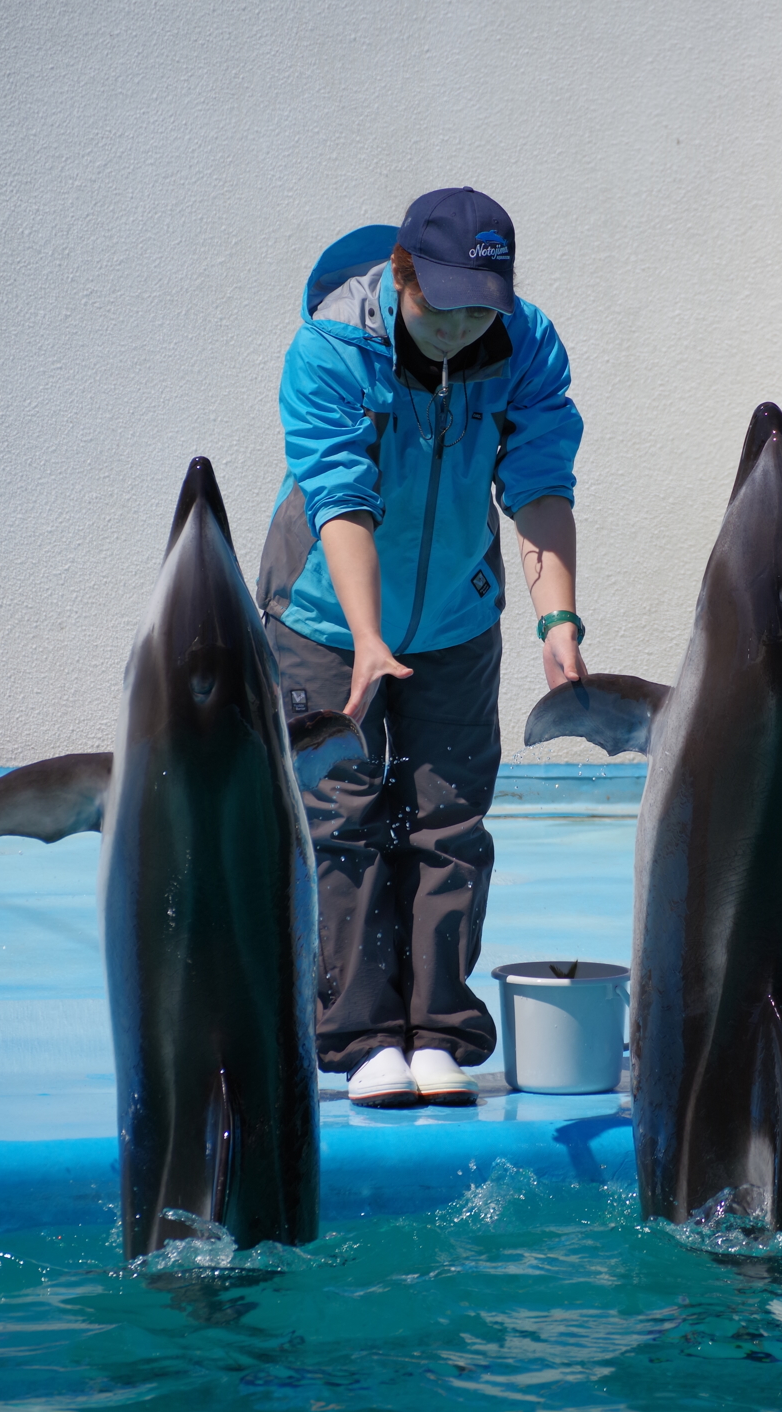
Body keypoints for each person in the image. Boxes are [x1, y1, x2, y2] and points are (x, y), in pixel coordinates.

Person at [257, 187, 585, 1107]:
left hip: (454, 616)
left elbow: (540, 479)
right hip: (325, 617)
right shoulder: (333, 349)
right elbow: (338, 496)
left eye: (481, 302)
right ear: (402, 275)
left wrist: (558, 621)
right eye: (443, 303)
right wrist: (365, 638)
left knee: (448, 817)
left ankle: (438, 1027)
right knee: (341, 816)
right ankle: (361, 1036)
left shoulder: (525, 346)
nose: (462, 324)